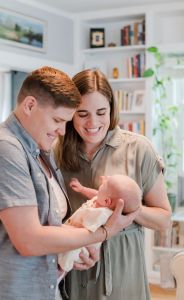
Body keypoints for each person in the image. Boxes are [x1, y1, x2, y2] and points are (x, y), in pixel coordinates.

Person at [0, 66, 138, 300]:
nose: (62, 131)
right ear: (30, 105)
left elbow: (47, 226)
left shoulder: (40, 151)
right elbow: (29, 240)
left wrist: (73, 251)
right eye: (57, 120)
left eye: (66, 121)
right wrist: (102, 233)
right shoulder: (2, 148)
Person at [54, 68, 172, 300]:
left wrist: (124, 208)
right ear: (70, 113)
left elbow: (164, 219)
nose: (93, 123)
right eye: (82, 114)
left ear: (112, 109)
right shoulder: (56, 153)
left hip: (124, 270)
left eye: (101, 112)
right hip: (76, 270)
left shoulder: (139, 149)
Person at [58, 174, 142, 272]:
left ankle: (62, 267)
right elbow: (96, 194)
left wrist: (62, 228)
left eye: (104, 185)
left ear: (107, 201)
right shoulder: (102, 200)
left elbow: (85, 231)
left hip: (81, 247)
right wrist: (82, 189)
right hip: (74, 235)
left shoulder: (100, 214)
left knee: (67, 254)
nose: (103, 182)